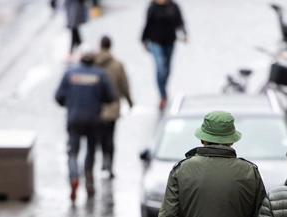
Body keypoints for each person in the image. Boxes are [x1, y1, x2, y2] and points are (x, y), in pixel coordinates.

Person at [54, 46, 115, 202]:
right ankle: (89, 178)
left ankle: (74, 177)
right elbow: (110, 96)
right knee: (91, 150)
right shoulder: (100, 74)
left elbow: (59, 96)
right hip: (94, 120)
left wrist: (71, 103)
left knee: (72, 152)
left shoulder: (70, 73)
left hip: (74, 119)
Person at [94, 36, 133, 180]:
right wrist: (129, 101)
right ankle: (109, 164)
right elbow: (124, 85)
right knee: (110, 136)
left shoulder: (92, 63)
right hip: (112, 108)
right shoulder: (117, 65)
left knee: (98, 137)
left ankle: (102, 160)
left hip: (95, 108)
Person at [141, 0, 187, 110]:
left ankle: (163, 88)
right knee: (160, 67)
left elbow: (179, 22)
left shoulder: (173, 7)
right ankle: (162, 95)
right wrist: (144, 39)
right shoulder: (152, 7)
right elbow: (148, 24)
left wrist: (184, 34)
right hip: (155, 42)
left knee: (167, 69)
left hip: (169, 41)